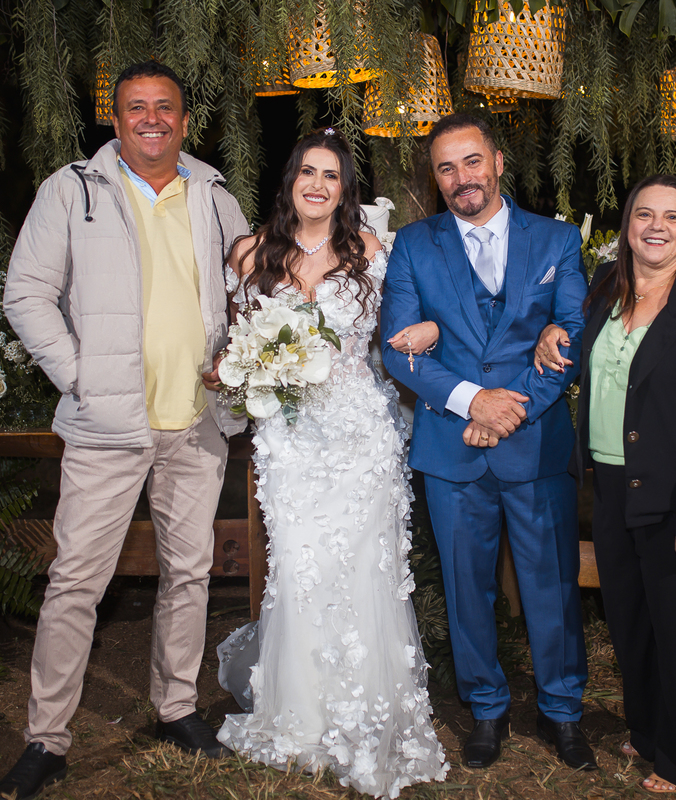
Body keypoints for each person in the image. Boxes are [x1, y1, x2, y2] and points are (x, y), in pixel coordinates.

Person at [0, 61, 250, 800]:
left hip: (197, 422)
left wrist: (236, 359)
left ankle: (176, 708)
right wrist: (79, 376)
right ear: (115, 120)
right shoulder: (73, 191)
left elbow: (248, 292)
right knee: (76, 581)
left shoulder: (216, 196)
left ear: (186, 121)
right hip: (106, 425)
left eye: (165, 107)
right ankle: (47, 740)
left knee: (189, 573)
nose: (152, 119)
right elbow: (26, 291)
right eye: (137, 108)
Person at [214, 128, 449, 799]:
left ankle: (371, 711)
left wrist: (432, 330)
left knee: (365, 568)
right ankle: (300, 716)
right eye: (307, 172)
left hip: (360, 438)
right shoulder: (249, 252)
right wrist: (238, 369)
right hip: (289, 440)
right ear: (290, 179)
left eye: (331, 176)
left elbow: (417, 323)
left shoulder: (371, 251)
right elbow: (235, 339)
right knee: (300, 565)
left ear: (344, 189)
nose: (317, 185)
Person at [378, 113, 596, 772]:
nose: (460, 178)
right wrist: (474, 402)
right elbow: (398, 347)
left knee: (552, 585)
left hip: (535, 446)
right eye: (445, 168)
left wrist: (508, 412)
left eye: (471, 161)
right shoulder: (414, 245)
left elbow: (571, 332)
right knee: (466, 588)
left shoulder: (555, 239)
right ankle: (486, 707)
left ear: (498, 162)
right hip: (454, 447)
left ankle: (562, 709)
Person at [534, 174, 676, 795]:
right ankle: (650, 730)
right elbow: (570, 337)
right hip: (610, 484)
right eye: (645, 215)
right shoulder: (605, 288)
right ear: (627, 225)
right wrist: (551, 333)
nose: (657, 227)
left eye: (672, 217)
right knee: (632, 622)